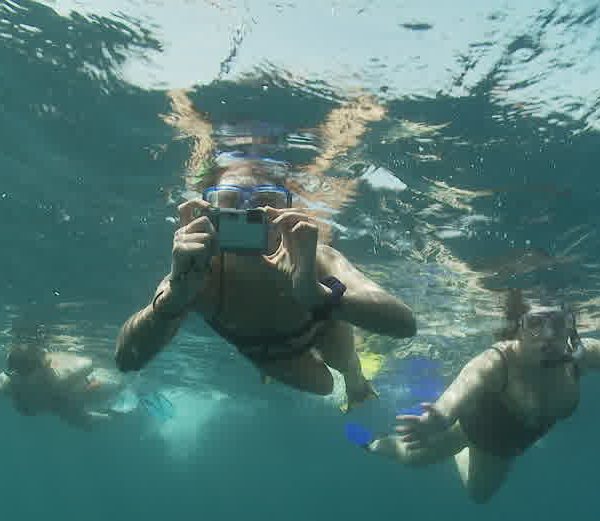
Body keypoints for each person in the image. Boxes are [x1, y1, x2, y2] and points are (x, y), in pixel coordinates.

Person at [115, 90, 417, 410]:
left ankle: (357, 382)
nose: (248, 213)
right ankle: (341, 378)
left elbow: (404, 325)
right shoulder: (197, 274)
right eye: (232, 201)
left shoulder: (313, 257)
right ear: (208, 210)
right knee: (322, 385)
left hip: (320, 322)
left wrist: (320, 297)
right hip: (268, 355)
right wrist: (171, 301)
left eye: (263, 202)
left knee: (345, 362)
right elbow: (126, 360)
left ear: (285, 211)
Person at [367, 290, 600, 503]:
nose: (548, 335)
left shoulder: (582, 356)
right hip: (480, 432)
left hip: (510, 446)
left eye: (558, 324)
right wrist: (438, 419)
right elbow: (455, 397)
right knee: (412, 458)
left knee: (479, 495)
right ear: (518, 326)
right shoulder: (498, 361)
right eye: (536, 323)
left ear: (571, 327)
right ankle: (375, 443)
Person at [0, 342, 128, 429]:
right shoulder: (9, 382)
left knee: (84, 420)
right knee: (83, 423)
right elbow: (88, 364)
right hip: (58, 404)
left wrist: (59, 361)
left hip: (69, 397)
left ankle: (116, 409)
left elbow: (89, 365)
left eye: (24, 370)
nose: (17, 375)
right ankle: (113, 414)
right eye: (15, 371)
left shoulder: (60, 379)